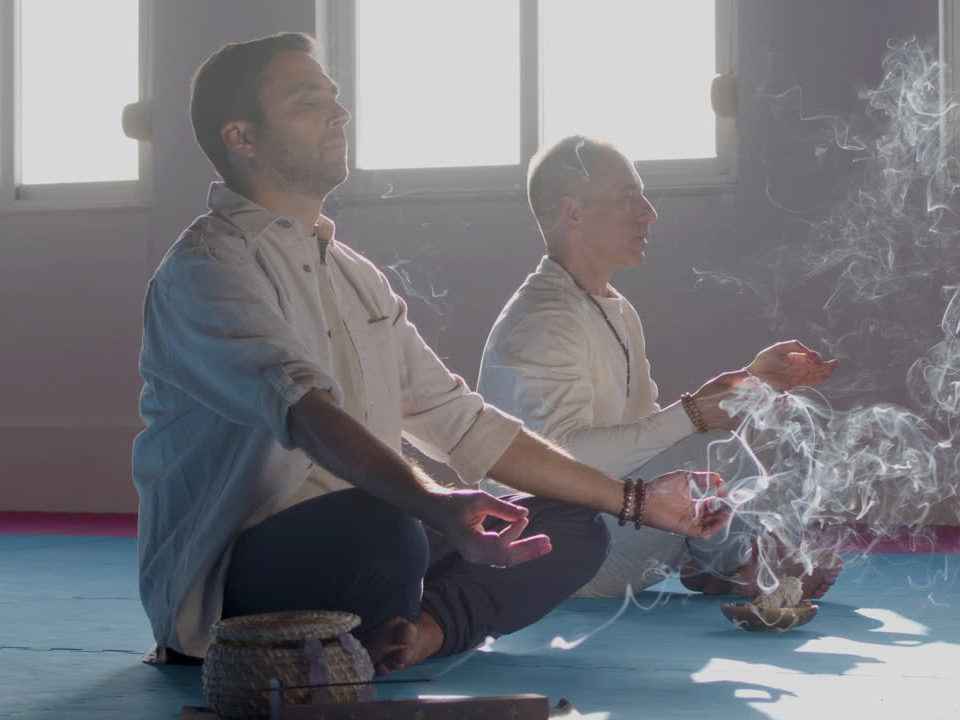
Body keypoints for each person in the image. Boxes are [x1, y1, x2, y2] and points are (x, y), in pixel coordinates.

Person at [133, 36, 731, 677]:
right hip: (242, 571)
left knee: (572, 526)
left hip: (383, 532)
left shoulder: (355, 276)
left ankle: (419, 631)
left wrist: (636, 501)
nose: (340, 115)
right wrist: (434, 503)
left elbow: (465, 424)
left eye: (336, 100)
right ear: (241, 137)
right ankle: (376, 617)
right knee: (385, 526)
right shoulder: (208, 267)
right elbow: (304, 409)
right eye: (310, 102)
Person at [477, 135, 842, 600]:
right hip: (557, 556)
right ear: (572, 213)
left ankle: (715, 559)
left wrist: (750, 382)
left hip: (609, 529)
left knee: (760, 418)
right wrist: (695, 414)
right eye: (629, 197)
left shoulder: (615, 309)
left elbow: (646, 436)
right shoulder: (544, 318)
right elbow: (563, 462)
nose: (649, 212)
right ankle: (735, 565)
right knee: (715, 446)